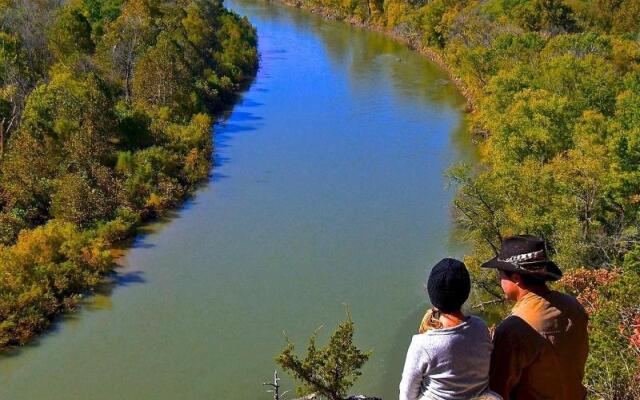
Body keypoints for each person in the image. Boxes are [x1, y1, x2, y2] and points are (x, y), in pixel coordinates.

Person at [481, 235, 589, 400]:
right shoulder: (573, 306)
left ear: (516, 279)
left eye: (500, 274)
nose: (500, 280)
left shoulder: (514, 328)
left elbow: (498, 390)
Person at [399, 258, 499, 400]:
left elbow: (407, 394)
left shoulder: (423, 344)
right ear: (466, 292)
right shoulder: (480, 327)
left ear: (432, 293)